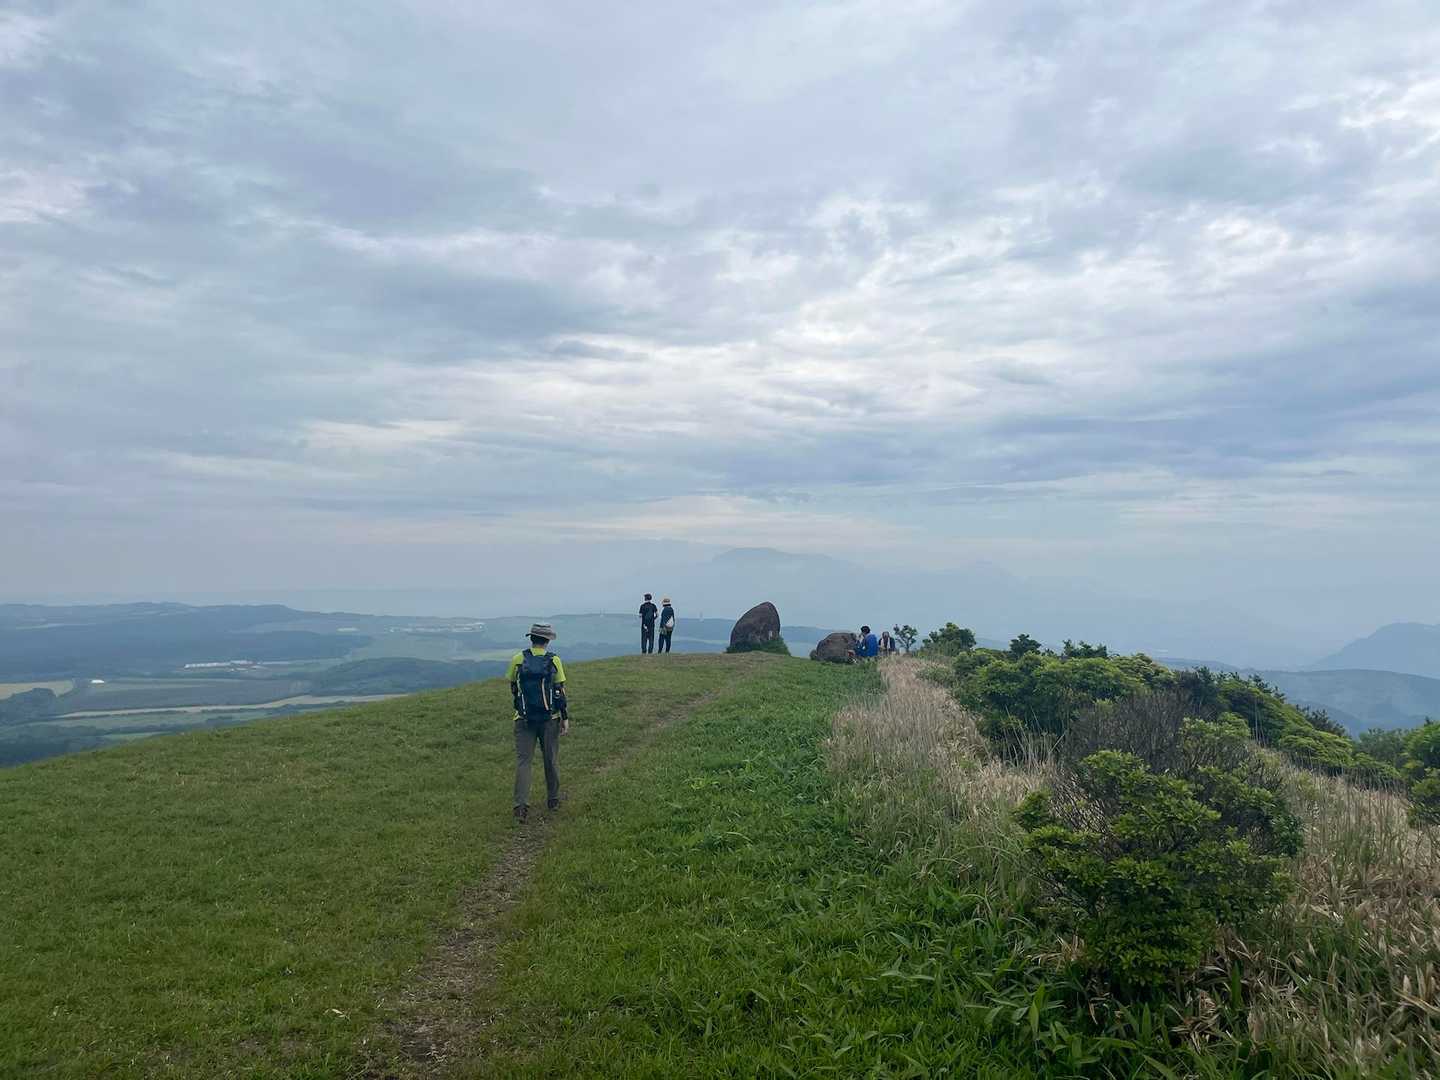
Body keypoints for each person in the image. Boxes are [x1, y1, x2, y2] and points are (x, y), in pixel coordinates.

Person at [507, 623, 568, 822]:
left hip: (523, 719)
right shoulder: (554, 660)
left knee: (524, 762)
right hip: (550, 719)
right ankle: (553, 800)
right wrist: (564, 717)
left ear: (531, 638)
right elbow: (560, 691)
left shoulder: (518, 658)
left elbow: (513, 686)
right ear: (548, 640)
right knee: (550, 759)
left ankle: (520, 807)